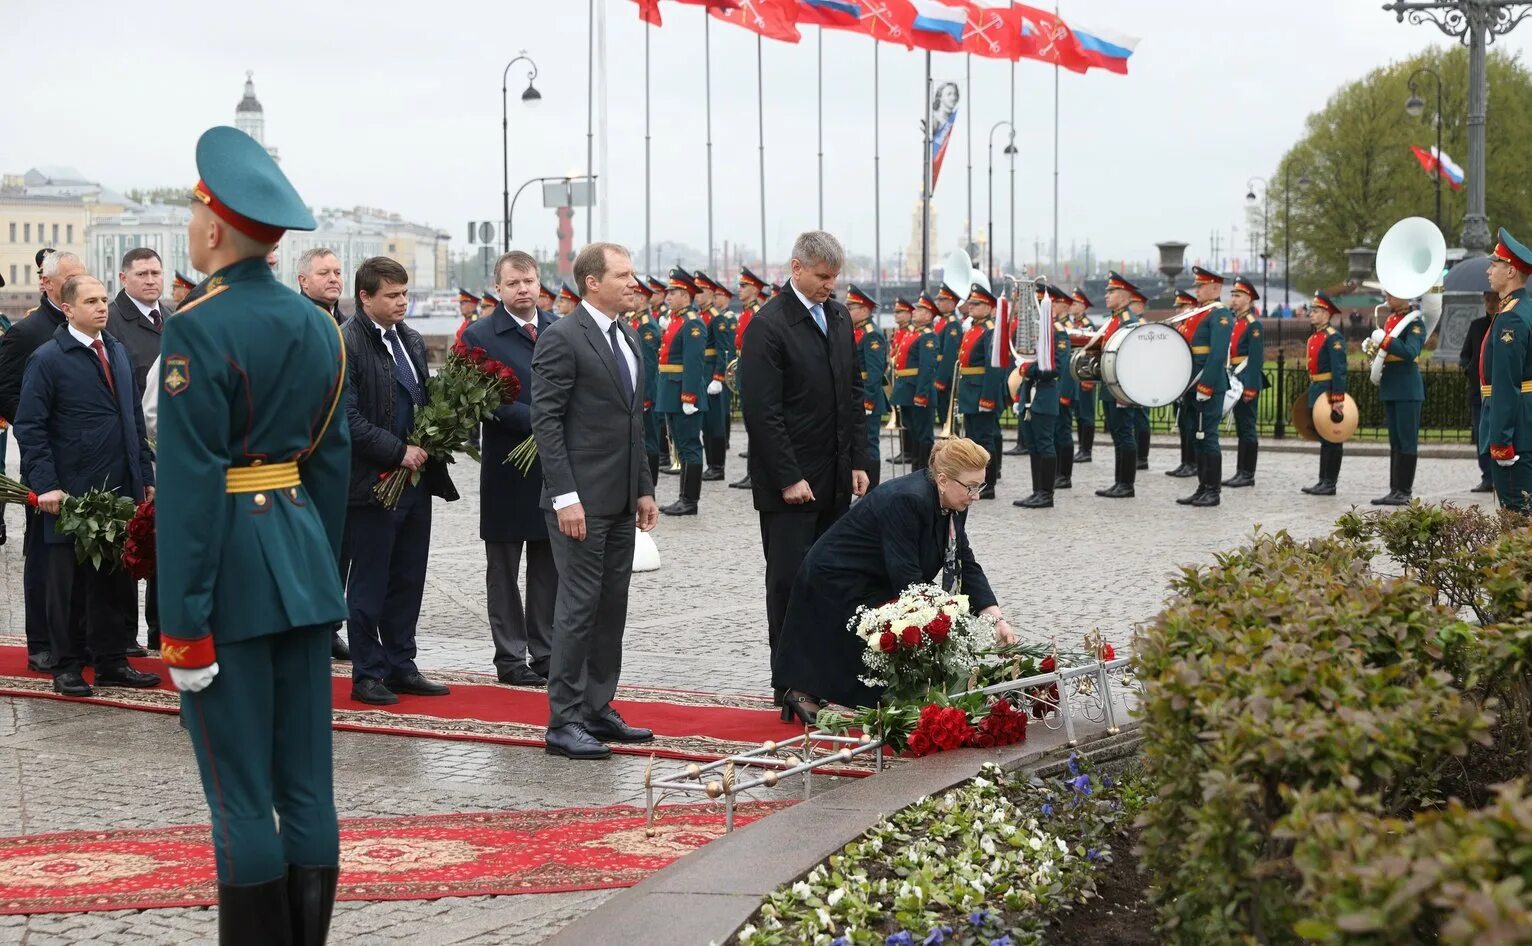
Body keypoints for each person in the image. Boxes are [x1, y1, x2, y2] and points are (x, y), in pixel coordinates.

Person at [151, 125, 350, 943]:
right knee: (306, 787)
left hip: (229, 576)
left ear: (214, 229)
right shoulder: (318, 326)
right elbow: (329, 469)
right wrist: (317, 574)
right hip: (302, 567)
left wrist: (182, 624)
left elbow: (191, 487)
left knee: (238, 794)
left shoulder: (197, 327)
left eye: (196, 215)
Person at [529, 241, 660, 760]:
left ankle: (597, 708)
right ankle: (563, 721)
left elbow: (634, 424)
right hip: (578, 504)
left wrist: (644, 489)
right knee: (578, 610)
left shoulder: (627, 336)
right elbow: (548, 422)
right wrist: (565, 497)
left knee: (611, 609)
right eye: (624, 275)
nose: (634, 283)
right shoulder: (563, 337)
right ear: (592, 283)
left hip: (620, 500)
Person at [775, 438, 1016, 715]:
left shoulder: (955, 500)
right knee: (876, 661)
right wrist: (946, 621)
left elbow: (965, 559)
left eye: (980, 486)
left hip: (876, 577)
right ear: (942, 479)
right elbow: (908, 580)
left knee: (889, 679)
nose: (976, 495)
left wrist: (994, 616)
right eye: (971, 487)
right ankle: (801, 689)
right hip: (837, 579)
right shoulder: (907, 500)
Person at [738, 230, 870, 713]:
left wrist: (860, 460)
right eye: (821, 277)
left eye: (834, 278)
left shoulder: (837, 317)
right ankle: (792, 685)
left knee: (833, 580)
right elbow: (762, 412)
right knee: (790, 583)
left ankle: (828, 677)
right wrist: (788, 476)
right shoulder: (768, 326)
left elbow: (852, 395)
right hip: (790, 485)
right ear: (796, 269)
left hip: (835, 476)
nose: (829, 287)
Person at [16, 273, 160, 696]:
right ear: (68, 309)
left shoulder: (113, 349)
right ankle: (67, 665)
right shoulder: (47, 359)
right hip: (70, 494)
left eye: (103, 299)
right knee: (69, 586)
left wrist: (144, 478)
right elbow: (30, 426)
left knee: (114, 582)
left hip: (117, 491)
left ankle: (112, 659)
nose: (102, 307)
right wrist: (46, 485)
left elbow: (133, 419)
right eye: (92, 301)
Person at [341, 256, 457, 705]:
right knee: (370, 581)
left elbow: (421, 402)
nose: (402, 302)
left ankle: (401, 663)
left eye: (405, 293)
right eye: (392, 295)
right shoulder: (347, 342)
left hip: (414, 483)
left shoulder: (408, 339)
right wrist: (397, 450)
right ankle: (367, 672)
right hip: (372, 483)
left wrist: (438, 435)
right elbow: (345, 418)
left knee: (408, 577)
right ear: (365, 297)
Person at [462, 251, 558, 686]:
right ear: (498, 288)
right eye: (514, 283)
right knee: (503, 567)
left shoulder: (559, 329)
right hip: (506, 466)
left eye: (530, 281)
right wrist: (540, 420)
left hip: (554, 466)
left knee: (548, 563)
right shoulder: (480, 335)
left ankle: (546, 651)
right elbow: (481, 399)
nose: (523, 289)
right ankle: (510, 657)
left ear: (540, 284)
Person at [0, 249, 86, 673]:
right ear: (47, 284)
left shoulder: (88, 326)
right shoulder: (27, 332)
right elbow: (7, 393)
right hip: (45, 461)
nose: (79, 283)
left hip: (86, 462)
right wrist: (43, 430)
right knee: (44, 555)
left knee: (82, 554)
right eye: (71, 277)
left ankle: (79, 636)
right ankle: (41, 641)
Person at [1482, 227, 1532, 511]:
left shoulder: (1510, 319)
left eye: (1495, 264)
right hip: (1527, 423)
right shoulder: (1525, 309)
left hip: (1517, 434)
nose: (1489, 270)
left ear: (1511, 271)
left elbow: (1506, 383)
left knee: (1516, 515)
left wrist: (1500, 440)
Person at [1177, 267, 1234, 507]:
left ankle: (1213, 490)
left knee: (1208, 437)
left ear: (1216, 288)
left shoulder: (1219, 314)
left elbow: (1218, 353)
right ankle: (1202, 486)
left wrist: (1206, 385)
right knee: (1196, 438)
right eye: (1197, 286)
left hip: (1207, 384)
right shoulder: (1198, 313)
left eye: (1201, 286)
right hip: (1191, 385)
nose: (1197, 290)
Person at [1014, 286, 1071, 509]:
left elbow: (1057, 368)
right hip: (1029, 393)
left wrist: (1031, 369)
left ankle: (1046, 494)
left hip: (1045, 394)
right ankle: (1037, 490)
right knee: (1033, 444)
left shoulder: (1057, 331)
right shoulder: (1036, 331)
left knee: (1045, 443)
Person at [658, 269, 708, 514]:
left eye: (674, 292)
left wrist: (689, 396)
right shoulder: (677, 320)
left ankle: (690, 501)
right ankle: (683, 497)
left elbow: (693, 363)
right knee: (681, 446)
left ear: (686, 295)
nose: (669, 296)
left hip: (683, 393)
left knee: (690, 447)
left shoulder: (692, 323)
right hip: (671, 390)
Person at [1370, 289, 1426, 505]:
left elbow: (1410, 351)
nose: (1388, 299)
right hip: (1392, 385)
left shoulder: (1415, 324)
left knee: (1407, 441)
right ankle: (1394, 489)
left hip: (1407, 388)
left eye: (1392, 296)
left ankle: (1405, 490)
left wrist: (1385, 341)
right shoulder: (1391, 320)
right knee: (1395, 441)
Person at [1094, 273, 1142, 499]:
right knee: (1116, 433)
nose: (1106, 295)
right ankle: (1118, 481)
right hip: (1109, 384)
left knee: (1125, 434)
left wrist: (1126, 390)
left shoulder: (1128, 321)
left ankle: (1127, 484)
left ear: (1124, 296)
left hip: (1121, 386)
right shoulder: (1113, 320)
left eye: (1111, 292)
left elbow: (1131, 358)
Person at [104, 248, 172, 395]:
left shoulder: (172, 320)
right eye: (141, 274)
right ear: (123, 279)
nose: (150, 281)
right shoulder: (107, 321)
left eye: (155, 273)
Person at [957, 285, 1002, 497]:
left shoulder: (990, 330)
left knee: (984, 440)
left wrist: (987, 397)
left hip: (981, 392)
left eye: (976, 304)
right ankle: (975, 481)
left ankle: (989, 485)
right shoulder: (974, 328)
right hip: (969, 390)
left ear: (989, 307)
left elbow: (993, 368)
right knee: (973, 440)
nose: (971, 306)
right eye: (971, 303)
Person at [1303, 292, 1349, 496]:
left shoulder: (1333, 338)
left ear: (1327, 313)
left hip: (1328, 391)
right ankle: (1323, 480)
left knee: (1333, 437)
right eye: (1311, 311)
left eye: (1316, 311)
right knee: (1324, 437)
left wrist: (1337, 398)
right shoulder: (1316, 337)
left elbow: (1339, 370)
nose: (1311, 315)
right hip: (1317, 390)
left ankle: (1330, 482)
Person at [1222, 276, 1265, 488]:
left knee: (1247, 427)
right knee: (1241, 427)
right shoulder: (1235, 321)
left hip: (1245, 380)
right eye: (1232, 295)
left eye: (1237, 295)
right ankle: (1240, 471)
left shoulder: (1253, 325)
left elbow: (1255, 360)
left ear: (1248, 299)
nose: (1233, 299)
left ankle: (1248, 474)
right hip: (1234, 377)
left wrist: (1251, 387)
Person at [730, 266, 769, 489]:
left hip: (754, 371)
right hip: (745, 368)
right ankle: (751, 473)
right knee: (750, 426)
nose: (739, 289)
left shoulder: (756, 313)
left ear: (754, 289)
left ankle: (757, 474)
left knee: (756, 426)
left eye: (744, 286)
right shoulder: (746, 312)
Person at [891, 295, 939, 471]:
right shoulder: (913, 334)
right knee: (913, 432)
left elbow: (926, 368)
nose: (914, 312)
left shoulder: (928, 337)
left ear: (928, 316)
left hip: (917, 391)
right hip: (907, 390)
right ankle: (916, 470)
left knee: (923, 435)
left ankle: (924, 471)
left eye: (919, 310)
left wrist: (921, 394)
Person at [848, 285, 888, 490]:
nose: (847, 310)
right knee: (858, 443)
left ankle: (872, 492)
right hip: (856, 395)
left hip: (867, 397)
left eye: (851, 306)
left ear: (864, 310)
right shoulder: (857, 331)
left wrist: (869, 401)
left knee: (869, 444)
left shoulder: (872, 335)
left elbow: (874, 374)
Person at [701, 276, 736, 482]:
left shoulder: (717, 318)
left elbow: (725, 351)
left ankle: (717, 466)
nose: (698, 296)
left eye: (702, 292)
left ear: (711, 295)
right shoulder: (702, 316)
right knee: (706, 422)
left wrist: (718, 377)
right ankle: (711, 464)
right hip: (703, 375)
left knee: (715, 422)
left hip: (714, 376)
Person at [1461, 291, 1496, 492]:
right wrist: (1469, 369)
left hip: (1499, 390)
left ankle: (1501, 475)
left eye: (1494, 300)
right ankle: (1487, 477)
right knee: (1482, 435)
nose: (1490, 303)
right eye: (1488, 299)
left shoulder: (1506, 324)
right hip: (1478, 391)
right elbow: (1465, 354)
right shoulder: (1476, 326)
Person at [1165, 289, 1201, 479]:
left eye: (1182, 306)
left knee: (1191, 424)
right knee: (1182, 422)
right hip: (1179, 380)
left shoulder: (1193, 326)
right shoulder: (1181, 327)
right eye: (1178, 307)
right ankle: (1185, 461)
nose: (1179, 310)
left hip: (1189, 379)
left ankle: (1192, 462)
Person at [631, 282, 664, 486]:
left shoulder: (647, 327)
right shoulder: (636, 323)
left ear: (642, 299)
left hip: (646, 394)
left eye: (633, 295)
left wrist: (646, 397)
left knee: (650, 440)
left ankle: (650, 484)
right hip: (637, 391)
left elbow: (649, 367)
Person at [1068, 288, 1097, 464]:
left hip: (1085, 375)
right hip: (1074, 375)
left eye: (1075, 303)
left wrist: (1089, 379)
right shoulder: (1074, 325)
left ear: (1083, 306)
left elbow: (1091, 353)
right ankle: (1081, 448)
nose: (1072, 306)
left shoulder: (1088, 325)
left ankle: (1086, 450)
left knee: (1086, 414)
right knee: (1078, 413)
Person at [888, 297, 916, 464]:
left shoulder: (910, 331)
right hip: (899, 378)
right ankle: (904, 450)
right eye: (895, 312)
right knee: (902, 416)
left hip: (908, 380)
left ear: (909, 313)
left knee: (910, 419)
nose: (896, 315)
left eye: (899, 312)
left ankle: (910, 451)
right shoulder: (900, 331)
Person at [932, 283, 964, 428]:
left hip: (945, 377)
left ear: (952, 303)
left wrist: (940, 379)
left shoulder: (952, 324)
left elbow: (949, 355)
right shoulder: (942, 322)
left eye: (942, 300)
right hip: (937, 371)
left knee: (948, 417)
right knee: (943, 415)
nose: (939, 302)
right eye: (939, 299)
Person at [296, 248, 346, 326]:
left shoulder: (351, 326)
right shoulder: (291, 323)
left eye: (337, 273)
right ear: (303, 281)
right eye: (324, 273)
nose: (333, 279)